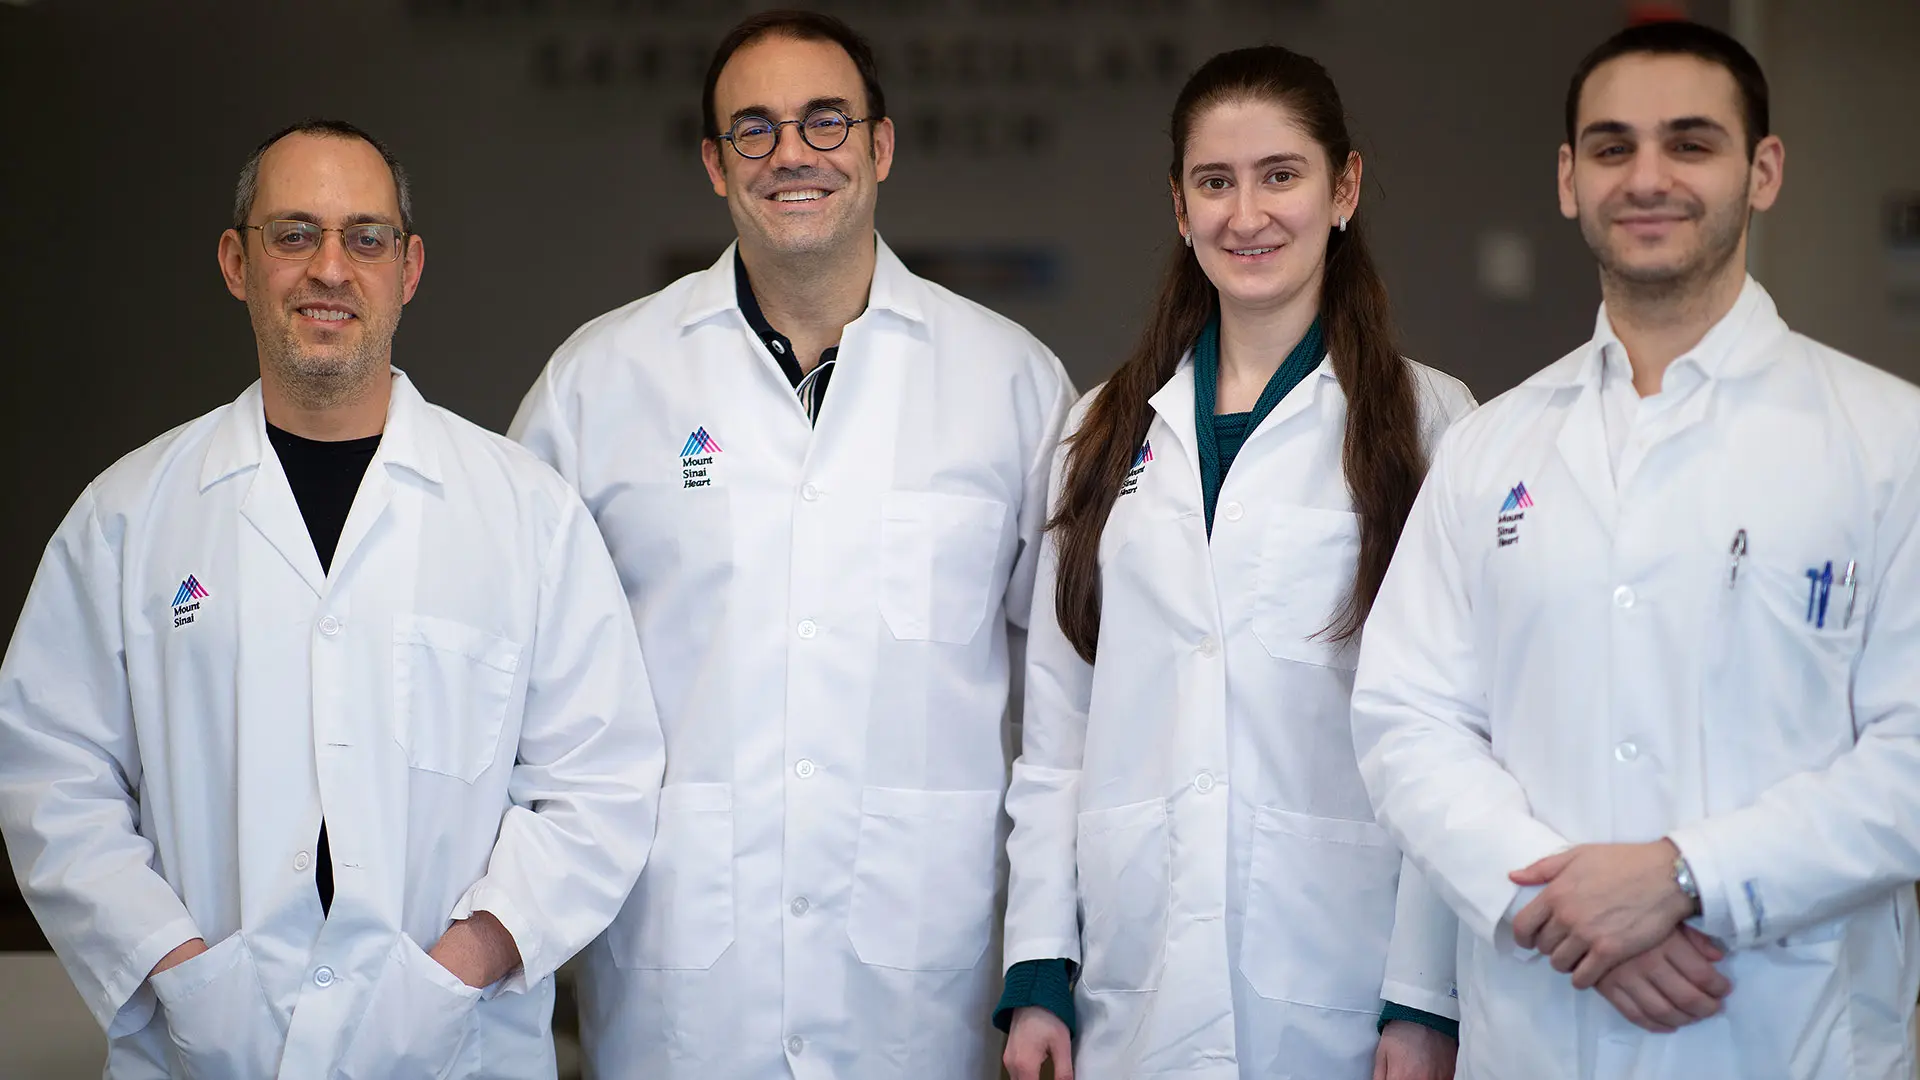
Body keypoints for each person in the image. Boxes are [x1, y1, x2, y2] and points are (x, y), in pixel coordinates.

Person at [0, 120, 665, 1079]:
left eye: (365, 237)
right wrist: (177, 970)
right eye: (293, 234)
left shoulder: (527, 514)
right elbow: (50, 776)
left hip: (454, 1046)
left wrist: (461, 966)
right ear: (236, 262)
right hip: (202, 1051)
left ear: (409, 267)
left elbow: (600, 783)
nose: (329, 268)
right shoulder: (129, 516)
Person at [508, 10, 1074, 1079]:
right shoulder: (600, 382)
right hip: (683, 977)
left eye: (826, 122)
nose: (794, 156)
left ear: (881, 146)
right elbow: (518, 676)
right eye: (755, 132)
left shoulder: (1010, 384)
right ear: (716, 166)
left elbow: (1063, 708)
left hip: (921, 979)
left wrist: (1047, 955)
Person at [1351, 19, 1920, 1079]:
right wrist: (1559, 906)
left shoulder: (1888, 443)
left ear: (1764, 171)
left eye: (1690, 144)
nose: (1647, 176)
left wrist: (1687, 876)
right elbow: (1407, 717)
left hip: (1790, 1034)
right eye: (1612, 148)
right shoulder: (1491, 449)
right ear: (1569, 179)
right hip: (1541, 1022)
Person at [998, 46, 1474, 1080]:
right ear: (1178, 205)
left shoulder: (1433, 425)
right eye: (1215, 182)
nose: (1246, 214)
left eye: (1281, 175)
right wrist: (1039, 964)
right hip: (1139, 971)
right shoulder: (1100, 429)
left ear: (1343, 187)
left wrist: (1424, 997)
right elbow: (1059, 725)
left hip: (1345, 971)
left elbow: (1458, 734)